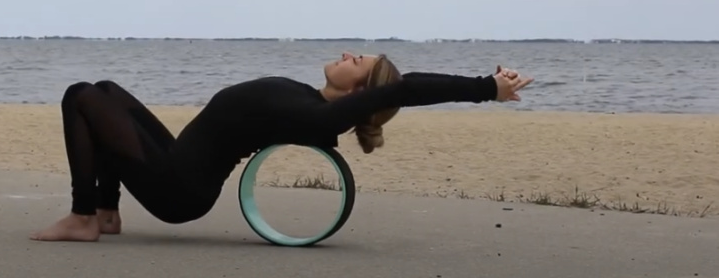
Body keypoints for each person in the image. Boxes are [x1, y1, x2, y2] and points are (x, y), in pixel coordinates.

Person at [30, 52, 533, 242]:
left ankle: (82, 217)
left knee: (80, 98)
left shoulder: (320, 115)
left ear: (360, 91)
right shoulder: (307, 98)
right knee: (105, 90)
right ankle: (107, 210)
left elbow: (406, 88)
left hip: (177, 189)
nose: (347, 53)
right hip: (176, 166)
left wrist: (487, 87)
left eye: (357, 60)